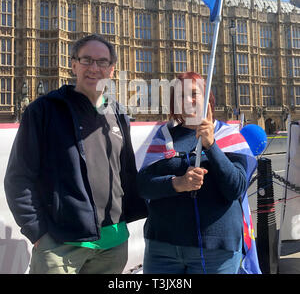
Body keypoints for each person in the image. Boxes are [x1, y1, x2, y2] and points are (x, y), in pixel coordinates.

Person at [4, 34, 147, 274]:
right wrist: (37, 232)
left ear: (111, 69)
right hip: (61, 245)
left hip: (113, 244)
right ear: (73, 65)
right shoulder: (44, 110)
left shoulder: (119, 114)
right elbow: (18, 178)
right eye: (86, 60)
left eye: (102, 62)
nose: (94, 68)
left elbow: (127, 173)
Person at [137, 72, 257, 274]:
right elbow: (143, 186)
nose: (188, 100)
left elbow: (235, 188)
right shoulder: (164, 136)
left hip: (215, 251)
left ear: (207, 98)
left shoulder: (227, 135)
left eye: (194, 93)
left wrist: (211, 145)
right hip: (162, 249)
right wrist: (177, 183)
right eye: (181, 95)